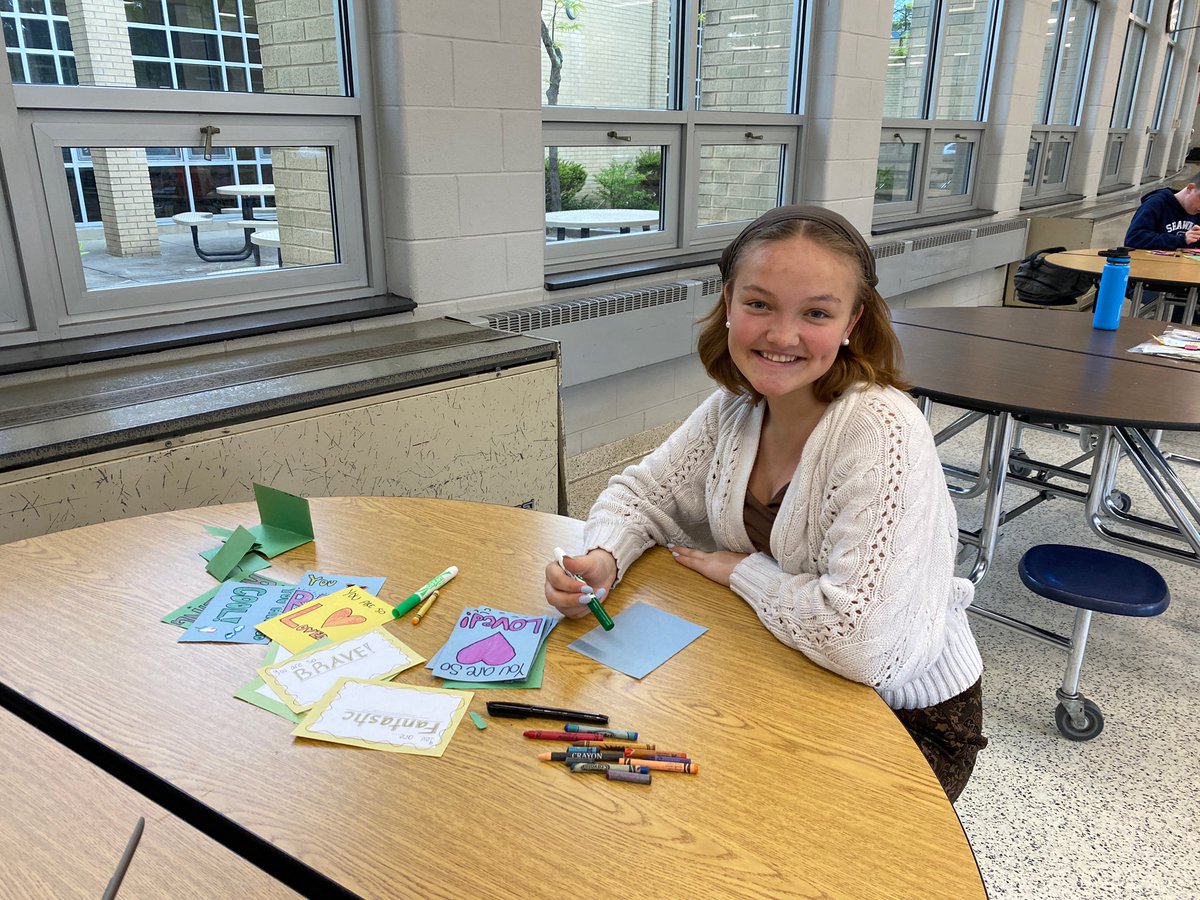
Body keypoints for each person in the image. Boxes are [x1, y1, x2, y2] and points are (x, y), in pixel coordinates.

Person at [544, 205, 986, 801]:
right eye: (758, 304)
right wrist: (603, 558)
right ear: (728, 303)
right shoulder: (737, 406)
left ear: (853, 320)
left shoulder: (881, 430)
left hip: (901, 716)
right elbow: (642, 494)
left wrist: (743, 571)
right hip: (784, 674)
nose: (781, 335)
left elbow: (860, 644)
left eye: (817, 313)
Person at [1124, 182, 1200, 249]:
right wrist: (1181, 239)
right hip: (1151, 262)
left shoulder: (1196, 211)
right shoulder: (1156, 203)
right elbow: (1134, 239)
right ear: (1190, 188)